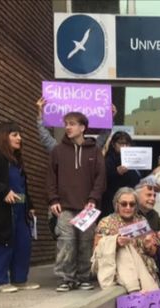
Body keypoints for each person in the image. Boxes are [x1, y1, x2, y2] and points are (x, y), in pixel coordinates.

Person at [0, 121, 40, 293]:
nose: (20, 138)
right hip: (2, 211)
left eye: (19, 135)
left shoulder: (17, 161)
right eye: (15, 135)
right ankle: (1, 281)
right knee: (2, 245)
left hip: (20, 209)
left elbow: (22, 186)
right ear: (4, 137)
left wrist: (30, 205)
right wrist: (3, 191)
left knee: (23, 244)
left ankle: (20, 280)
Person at [47, 111, 106, 292]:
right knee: (66, 242)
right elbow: (50, 177)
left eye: (72, 124)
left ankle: (83, 277)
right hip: (64, 206)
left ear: (82, 127)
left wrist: (93, 199)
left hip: (87, 207)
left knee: (85, 242)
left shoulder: (94, 151)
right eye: (66, 124)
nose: (68, 127)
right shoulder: (58, 150)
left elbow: (100, 177)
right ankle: (66, 278)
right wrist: (53, 199)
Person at [92, 187, 160, 293]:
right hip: (120, 275)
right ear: (116, 204)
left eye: (132, 204)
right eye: (124, 204)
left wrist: (148, 246)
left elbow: (153, 252)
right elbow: (97, 251)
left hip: (146, 272)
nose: (128, 207)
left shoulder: (141, 221)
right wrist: (116, 243)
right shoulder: (106, 222)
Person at [101, 132, 139, 219]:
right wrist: (116, 172)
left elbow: (138, 177)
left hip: (130, 200)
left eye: (127, 144)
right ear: (114, 145)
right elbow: (103, 179)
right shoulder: (108, 160)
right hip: (111, 201)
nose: (124, 147)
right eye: (121, 144)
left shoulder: (134, 158)